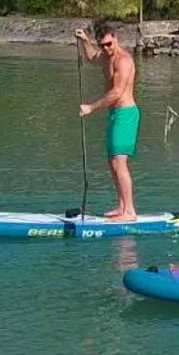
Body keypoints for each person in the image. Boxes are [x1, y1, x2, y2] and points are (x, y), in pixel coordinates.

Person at [74, 20, 140, 222]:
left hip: (126, 114)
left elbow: (117, 93)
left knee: (119, 162)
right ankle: (121, 206)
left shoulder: (123, 61)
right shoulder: (104, 56)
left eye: (109, 44)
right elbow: (93, 58)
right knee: (112, 162)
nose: (105, 49)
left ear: (116, 39)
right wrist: (85, 40)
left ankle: (130, 211)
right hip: (114, 115)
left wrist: (91, 107)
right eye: (102, 45)